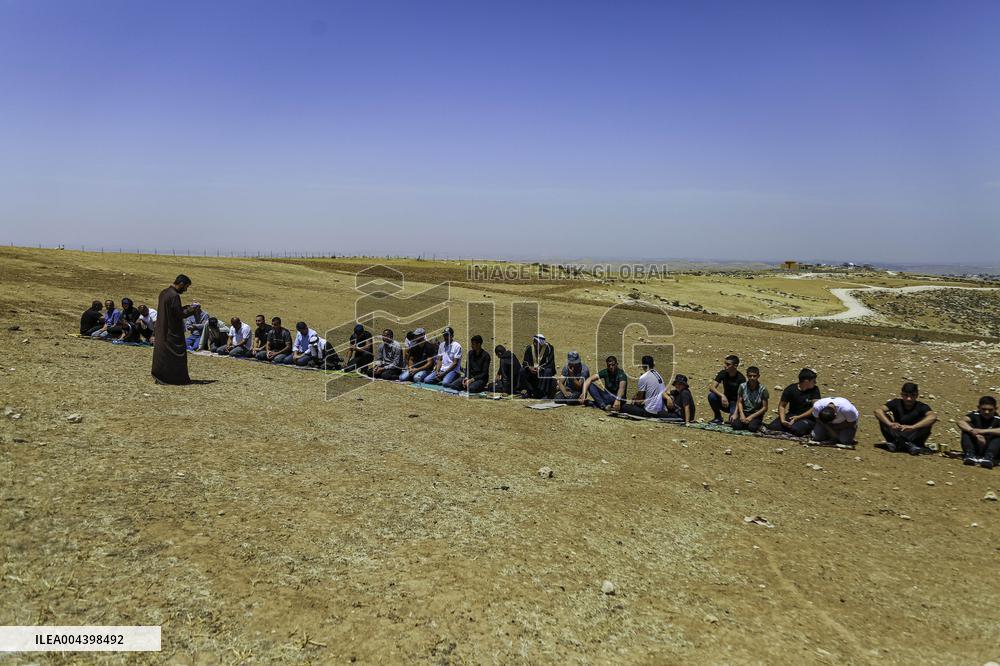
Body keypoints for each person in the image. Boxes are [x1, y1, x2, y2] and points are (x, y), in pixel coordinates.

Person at [151, 274, 194, 385]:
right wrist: (192, 310)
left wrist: (185, 308)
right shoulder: (174, 296)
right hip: (172, 331)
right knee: (175, 356)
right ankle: (174, 379)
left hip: (162, 329)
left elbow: (172, 311)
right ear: (181, 284)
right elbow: (179, 315)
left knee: (163, 355)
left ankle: (161, 377)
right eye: (186, 287)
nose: (185, 290)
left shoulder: (164, 293)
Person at [874, 383, 937, 455]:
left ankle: (907, 444)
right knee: (883, 416)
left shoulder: (921, 407)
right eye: (906, 395)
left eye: (912, 395)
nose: (909, 398)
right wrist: (890, 424)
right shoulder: (896, 403)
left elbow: (933, 417)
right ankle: (897, 443)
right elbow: (878, 411)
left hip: (913, 434)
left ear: (917, 395)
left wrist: (913, 427)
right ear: (902, 394)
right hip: (897, 432)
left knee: (927, 421)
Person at [767, 368, 821, 436]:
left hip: (807, 417)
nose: (815, 383)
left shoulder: (815, 390)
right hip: (792, 415)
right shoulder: (791, 389)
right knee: (773, 426)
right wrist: (783, 420)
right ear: (806, 381)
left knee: (796, 430)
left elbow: (815, 407)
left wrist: (798, 417)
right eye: (813, 381)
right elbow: (782, 406)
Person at [958, 395, 1000, 468]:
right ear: (978, 408)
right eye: (983, 409)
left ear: (995, 409)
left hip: (991, 446)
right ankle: (970, 455)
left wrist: (982, 431)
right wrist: (973, 432)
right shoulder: (974, 415)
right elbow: (960, 422)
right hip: (976, 444)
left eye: (990, 410)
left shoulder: (997, 419)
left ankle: (989, 457)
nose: (987, 412)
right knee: (966, 430)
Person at [707, 355, 746, 424]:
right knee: (711, 396)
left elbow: (741, 398)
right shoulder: (723, 373)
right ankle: (718, 417)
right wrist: (722, 395)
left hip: (735, 403)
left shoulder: (741, 379)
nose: (725, 366)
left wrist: (736, 413)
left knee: (733, 421)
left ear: (735, 366)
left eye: (728, 364)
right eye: (725, 363)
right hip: (725, 401)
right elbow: (712, 387)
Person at [731, 366, 769, 432]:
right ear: (747, 376)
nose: (752, 378)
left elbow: (764, 407)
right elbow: (739, 401)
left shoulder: (763, 389)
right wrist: (741, 414)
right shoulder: (742, 386)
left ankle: (756, 424)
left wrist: (751, 417)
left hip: (756, 413)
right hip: (745, 411)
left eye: (754, 376)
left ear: (758, 376)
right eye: (750, 376)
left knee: (752, 428)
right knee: (735, 425)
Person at [521, 334, 556, 398]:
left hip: (543, 370)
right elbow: (525, 362)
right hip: (532, 370)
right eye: (539, 344)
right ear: (534, 343)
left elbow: (549, 362)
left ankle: (544, 393)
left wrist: (540, 368)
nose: (541, 346)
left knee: (548, 371)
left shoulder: (549, 348)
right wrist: (530, 368)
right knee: (522, 370)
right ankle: (528, 391)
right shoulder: (529, 348)